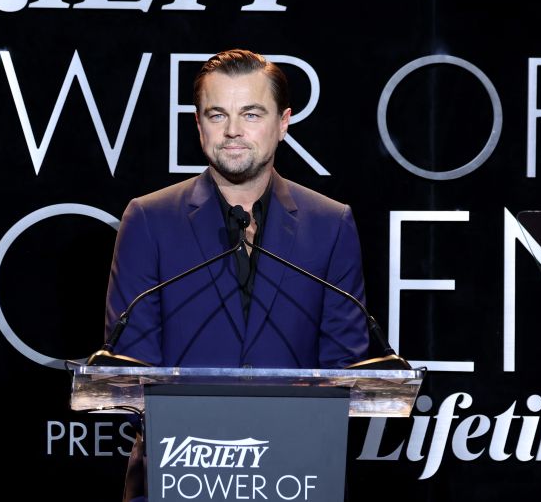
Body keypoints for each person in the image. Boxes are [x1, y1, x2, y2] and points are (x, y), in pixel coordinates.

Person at [103, 49, 369, 501]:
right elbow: (130, 368)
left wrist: (271, 443)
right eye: (217, 114)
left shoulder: (330, 222)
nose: (232, 131)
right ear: (198, 123)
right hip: (178, 476)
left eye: (251, 113)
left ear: (283, 123)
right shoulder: (148, 218)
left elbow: (345, 367)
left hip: (297, 480)